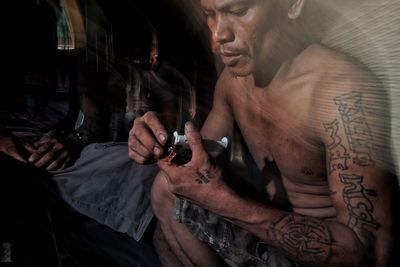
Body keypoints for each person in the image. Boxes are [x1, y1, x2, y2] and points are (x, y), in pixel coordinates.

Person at [128, 0, 399, 266]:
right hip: (270, 230)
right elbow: (201, 155)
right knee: (164, 210)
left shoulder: (340, 95)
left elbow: (371, 254)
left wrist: (224, 201)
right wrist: (162, 144)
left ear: (293, 4)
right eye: (209, 15)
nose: (217, 35)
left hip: (324, 254)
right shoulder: (233, 82)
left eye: (238, 11)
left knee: (167, 198)